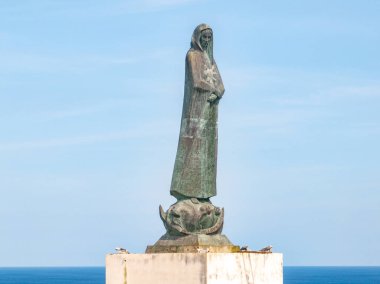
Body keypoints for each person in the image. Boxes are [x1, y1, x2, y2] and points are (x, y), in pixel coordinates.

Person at [170, 23, 225, 201]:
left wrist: (218, 92)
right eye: (204, 37)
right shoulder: (192, 55)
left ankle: (204, 193)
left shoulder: (211, 60)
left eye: (209, 37)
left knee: (208, 150)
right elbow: (197, 80)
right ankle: (186, 191)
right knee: (191, 148)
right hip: (196, 108)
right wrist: (213, 89)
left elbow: (221, 85)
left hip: (210, 109)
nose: (207, 40)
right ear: (198, 37)